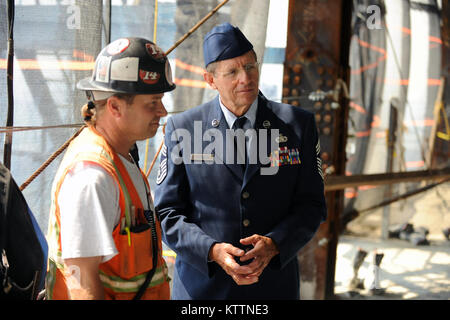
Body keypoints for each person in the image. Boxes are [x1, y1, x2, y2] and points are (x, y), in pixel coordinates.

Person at [154, 23, 327, 300]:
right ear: (210, 80)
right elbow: (166, 214)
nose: (245, 78)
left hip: (272, 288)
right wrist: (211, 251)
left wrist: (274, 244)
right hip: (203, 290)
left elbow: (312, 205)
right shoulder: (183, 127)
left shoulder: (297, 125)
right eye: (232, 71)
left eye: (250, 67)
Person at [45, 37, 175, 300]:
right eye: (152, 102)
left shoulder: (121, 157)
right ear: (115, 106)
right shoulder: (92, 178)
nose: (162, 111)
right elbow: (81, 282)